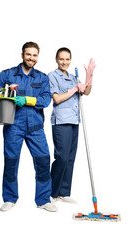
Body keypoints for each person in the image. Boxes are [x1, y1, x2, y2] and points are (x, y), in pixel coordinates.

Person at [0, 42, 57, 212]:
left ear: (38, 57)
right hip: (13, 125)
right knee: (11, 162)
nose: (31, 58)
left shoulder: (42, 78)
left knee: (43, 161)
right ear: (22, 55)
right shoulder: (8, 75)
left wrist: (28, 100)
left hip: (36, 127)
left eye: (35, 55)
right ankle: (9, 198)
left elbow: (46, 99)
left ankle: (43, 200)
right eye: (28, 54)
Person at [48, 47, 96, 202]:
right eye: (61, 59)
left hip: (75, 121)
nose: (64, 62)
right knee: (61, 157)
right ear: (56, 59)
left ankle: (64, 193)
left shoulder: (73, 76)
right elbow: (56, 99)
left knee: (70, 158)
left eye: (67, 59)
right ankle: (52, 193)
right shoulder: (52, 76)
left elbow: (86, 92)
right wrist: (74, 89)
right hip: (61, 121)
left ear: (70, 60)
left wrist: (89, 77)